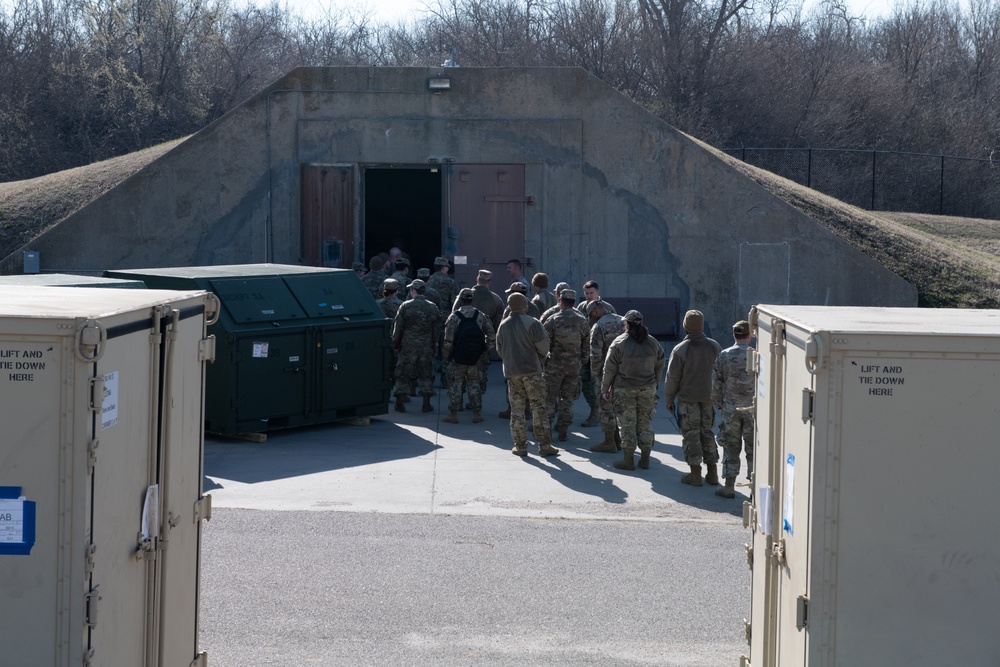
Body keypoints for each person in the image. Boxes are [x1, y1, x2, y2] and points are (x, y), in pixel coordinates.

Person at [496, 293, 559, 457]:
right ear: (525, 306)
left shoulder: (503, 325)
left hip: (512, 373)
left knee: (517, 410)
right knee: (538, 407)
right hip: (532, 372)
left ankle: (520, 446)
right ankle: (544, 445)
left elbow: (499, 350)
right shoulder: (532, 323)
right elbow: (544, 348)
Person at [600, 310, 665, 470]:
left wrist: (605, 389)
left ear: (626, 324)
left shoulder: (619, 343)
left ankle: (628, 460)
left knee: (627, 424)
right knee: (645, 424)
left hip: (624, 390)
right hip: (647, 389)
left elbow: (609, 369)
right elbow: (660, 363)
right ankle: (645, 459)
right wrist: (655, 383)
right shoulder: (653, 342)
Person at [664, 310, 722, 486]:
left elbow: (672, 377)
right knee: (707, 432)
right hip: (708, 397)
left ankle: (695, 474)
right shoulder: (714, 346)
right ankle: (712, 473)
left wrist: (668, 399)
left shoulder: (681, 349)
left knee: (691, 434)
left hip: (688, 399)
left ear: (686, 326)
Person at [712, 320, 755, 497]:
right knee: (753, 449)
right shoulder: (758, 356)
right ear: (750, 335)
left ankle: (729, 486)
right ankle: (754, 488)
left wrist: (720, 405)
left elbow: (716, 384)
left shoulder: (724, 355)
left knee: (730, 446)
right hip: (753, 410)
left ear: (734, 335)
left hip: (731, 409)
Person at [441, 289, 496, 423]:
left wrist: (447, 357)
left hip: (458, 357)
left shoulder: (454, 317)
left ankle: (453, 414)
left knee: (456, 384)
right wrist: (484, 350)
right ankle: (476, 413)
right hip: (475, 357)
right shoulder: (480, 315)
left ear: (460, 300)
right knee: (474, 384)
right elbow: (492, 335)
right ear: (472, 299)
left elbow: (448, 340)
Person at [542, 289, 590, 441]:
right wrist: (582, 360)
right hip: (573, 367)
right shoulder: (582, 320)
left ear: (560, 301)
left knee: (549, 399)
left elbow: (544, 344)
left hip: (554, 366)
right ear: (574, 303)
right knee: (567, 400)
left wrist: (545, 361)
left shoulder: (553, 320)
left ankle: (547, 431)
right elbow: (586, 345)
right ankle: (563, 430)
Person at [391, 279, 441, 413]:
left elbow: (398, 328)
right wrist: (434, 344)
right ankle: (426, 403)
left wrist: (395, 343)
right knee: (426, 374)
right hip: (425, 346)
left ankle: (399, 403)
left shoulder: (405, 306)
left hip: (408, 346)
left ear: (413, 290)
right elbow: (437, 329)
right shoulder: (432, 307)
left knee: (403, 373)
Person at [586, 299, 626, 453]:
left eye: (591, 315)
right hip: (626, 374)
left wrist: (596, 375)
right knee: (621, 408)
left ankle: (609, 441)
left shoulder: (598, 326)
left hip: (607, 374)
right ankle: (619, 440)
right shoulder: (624, 321)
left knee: (606, 407)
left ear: (596, 312)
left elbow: (595, 354)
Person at [576, 280, 617, 427]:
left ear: (598, 292)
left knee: (605, 383)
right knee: (587, 382)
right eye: (586, 293)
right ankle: (594, 410)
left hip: (605, 353)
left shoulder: (607, 308)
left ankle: (607, 414)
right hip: (587, 352)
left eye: (591, 293)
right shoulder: (581, 308)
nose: (588, 296)